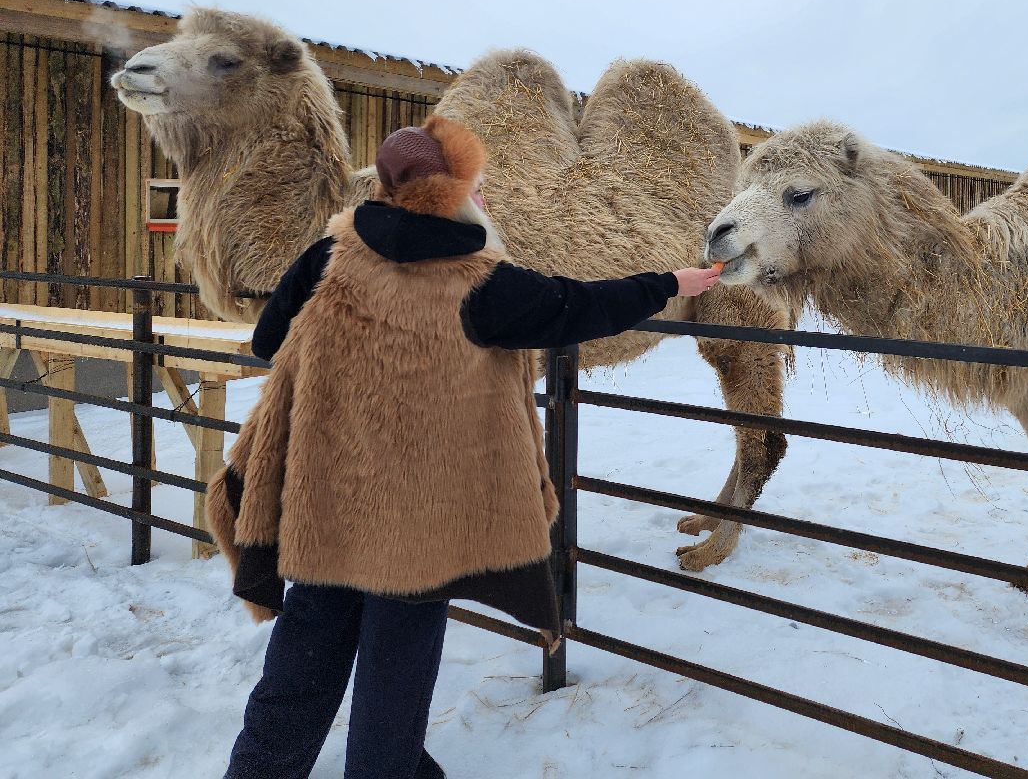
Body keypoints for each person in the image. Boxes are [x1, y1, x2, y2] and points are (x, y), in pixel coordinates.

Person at [206, 114, 720, 779]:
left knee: (299, 671)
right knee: (393, 689)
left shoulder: (330, 254)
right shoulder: (484, 283)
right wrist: (670, 284)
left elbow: (271, 342)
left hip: (326, 505)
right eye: (473, 187)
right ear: (452, 192)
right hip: (421, 530)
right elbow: (580, 306)